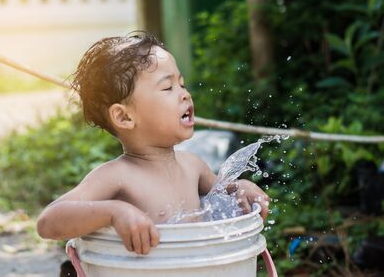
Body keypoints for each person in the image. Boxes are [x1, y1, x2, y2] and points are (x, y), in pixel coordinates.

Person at [37, 31, 270, 256]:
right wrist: (114, 212)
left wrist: (241, 188)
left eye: (182, 84)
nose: (184, 94)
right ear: (124, 117)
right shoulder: (117, 176)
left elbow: (224, 193)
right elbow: (49, 222)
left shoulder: (193, 166)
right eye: (168, 87)